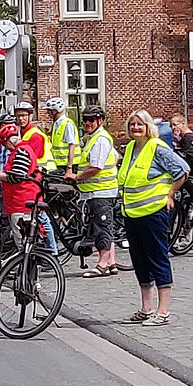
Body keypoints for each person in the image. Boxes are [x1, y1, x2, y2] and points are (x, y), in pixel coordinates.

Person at [116, 109, 188, 327]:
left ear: (149, 127)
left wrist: (170, 194)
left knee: (158, 258)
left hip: (154, 212)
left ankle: (163, 310)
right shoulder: (130, 148)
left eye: (140, 124)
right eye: (132, 124)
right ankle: (146, 308)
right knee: (140, 260)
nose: (136, 128)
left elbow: (182, 170)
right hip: (133, 213)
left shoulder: (157, 147)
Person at [69, 105, 119, 277]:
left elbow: (96, 167)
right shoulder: (93, 138)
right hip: (95, 191)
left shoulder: (100, 140)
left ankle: (102, 264)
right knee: (104, 224)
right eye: (85, 120)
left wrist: (77, 177)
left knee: (101, 227)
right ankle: (112, 262)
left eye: (92, 120)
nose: (87, 123)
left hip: (101, 191)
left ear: (100, 121)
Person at [0, 123, 45, 250]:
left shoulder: (21, 152)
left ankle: (28, 268)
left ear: (9, 141)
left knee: (23, 242)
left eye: (5, 145)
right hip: (20, 201)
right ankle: (26, 268)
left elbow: (17, 177)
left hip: (22, 202)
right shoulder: (22, 149)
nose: (6, 148)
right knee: (24, 242)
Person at [15, 101, 55, 171]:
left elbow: (32, 157)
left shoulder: (36, 135)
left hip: (42, 173)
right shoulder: (22, 133)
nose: (21, 119)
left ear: (30, 116)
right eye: (18, 116)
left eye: (24, 115)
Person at [44, 97, 79, 170]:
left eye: (49, 111)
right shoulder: (56, 124)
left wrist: (69, 167)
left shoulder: (67, 124)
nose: (48, 114)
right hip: (59, 164)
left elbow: (72, 145)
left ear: (55, 111)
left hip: (68, 165)